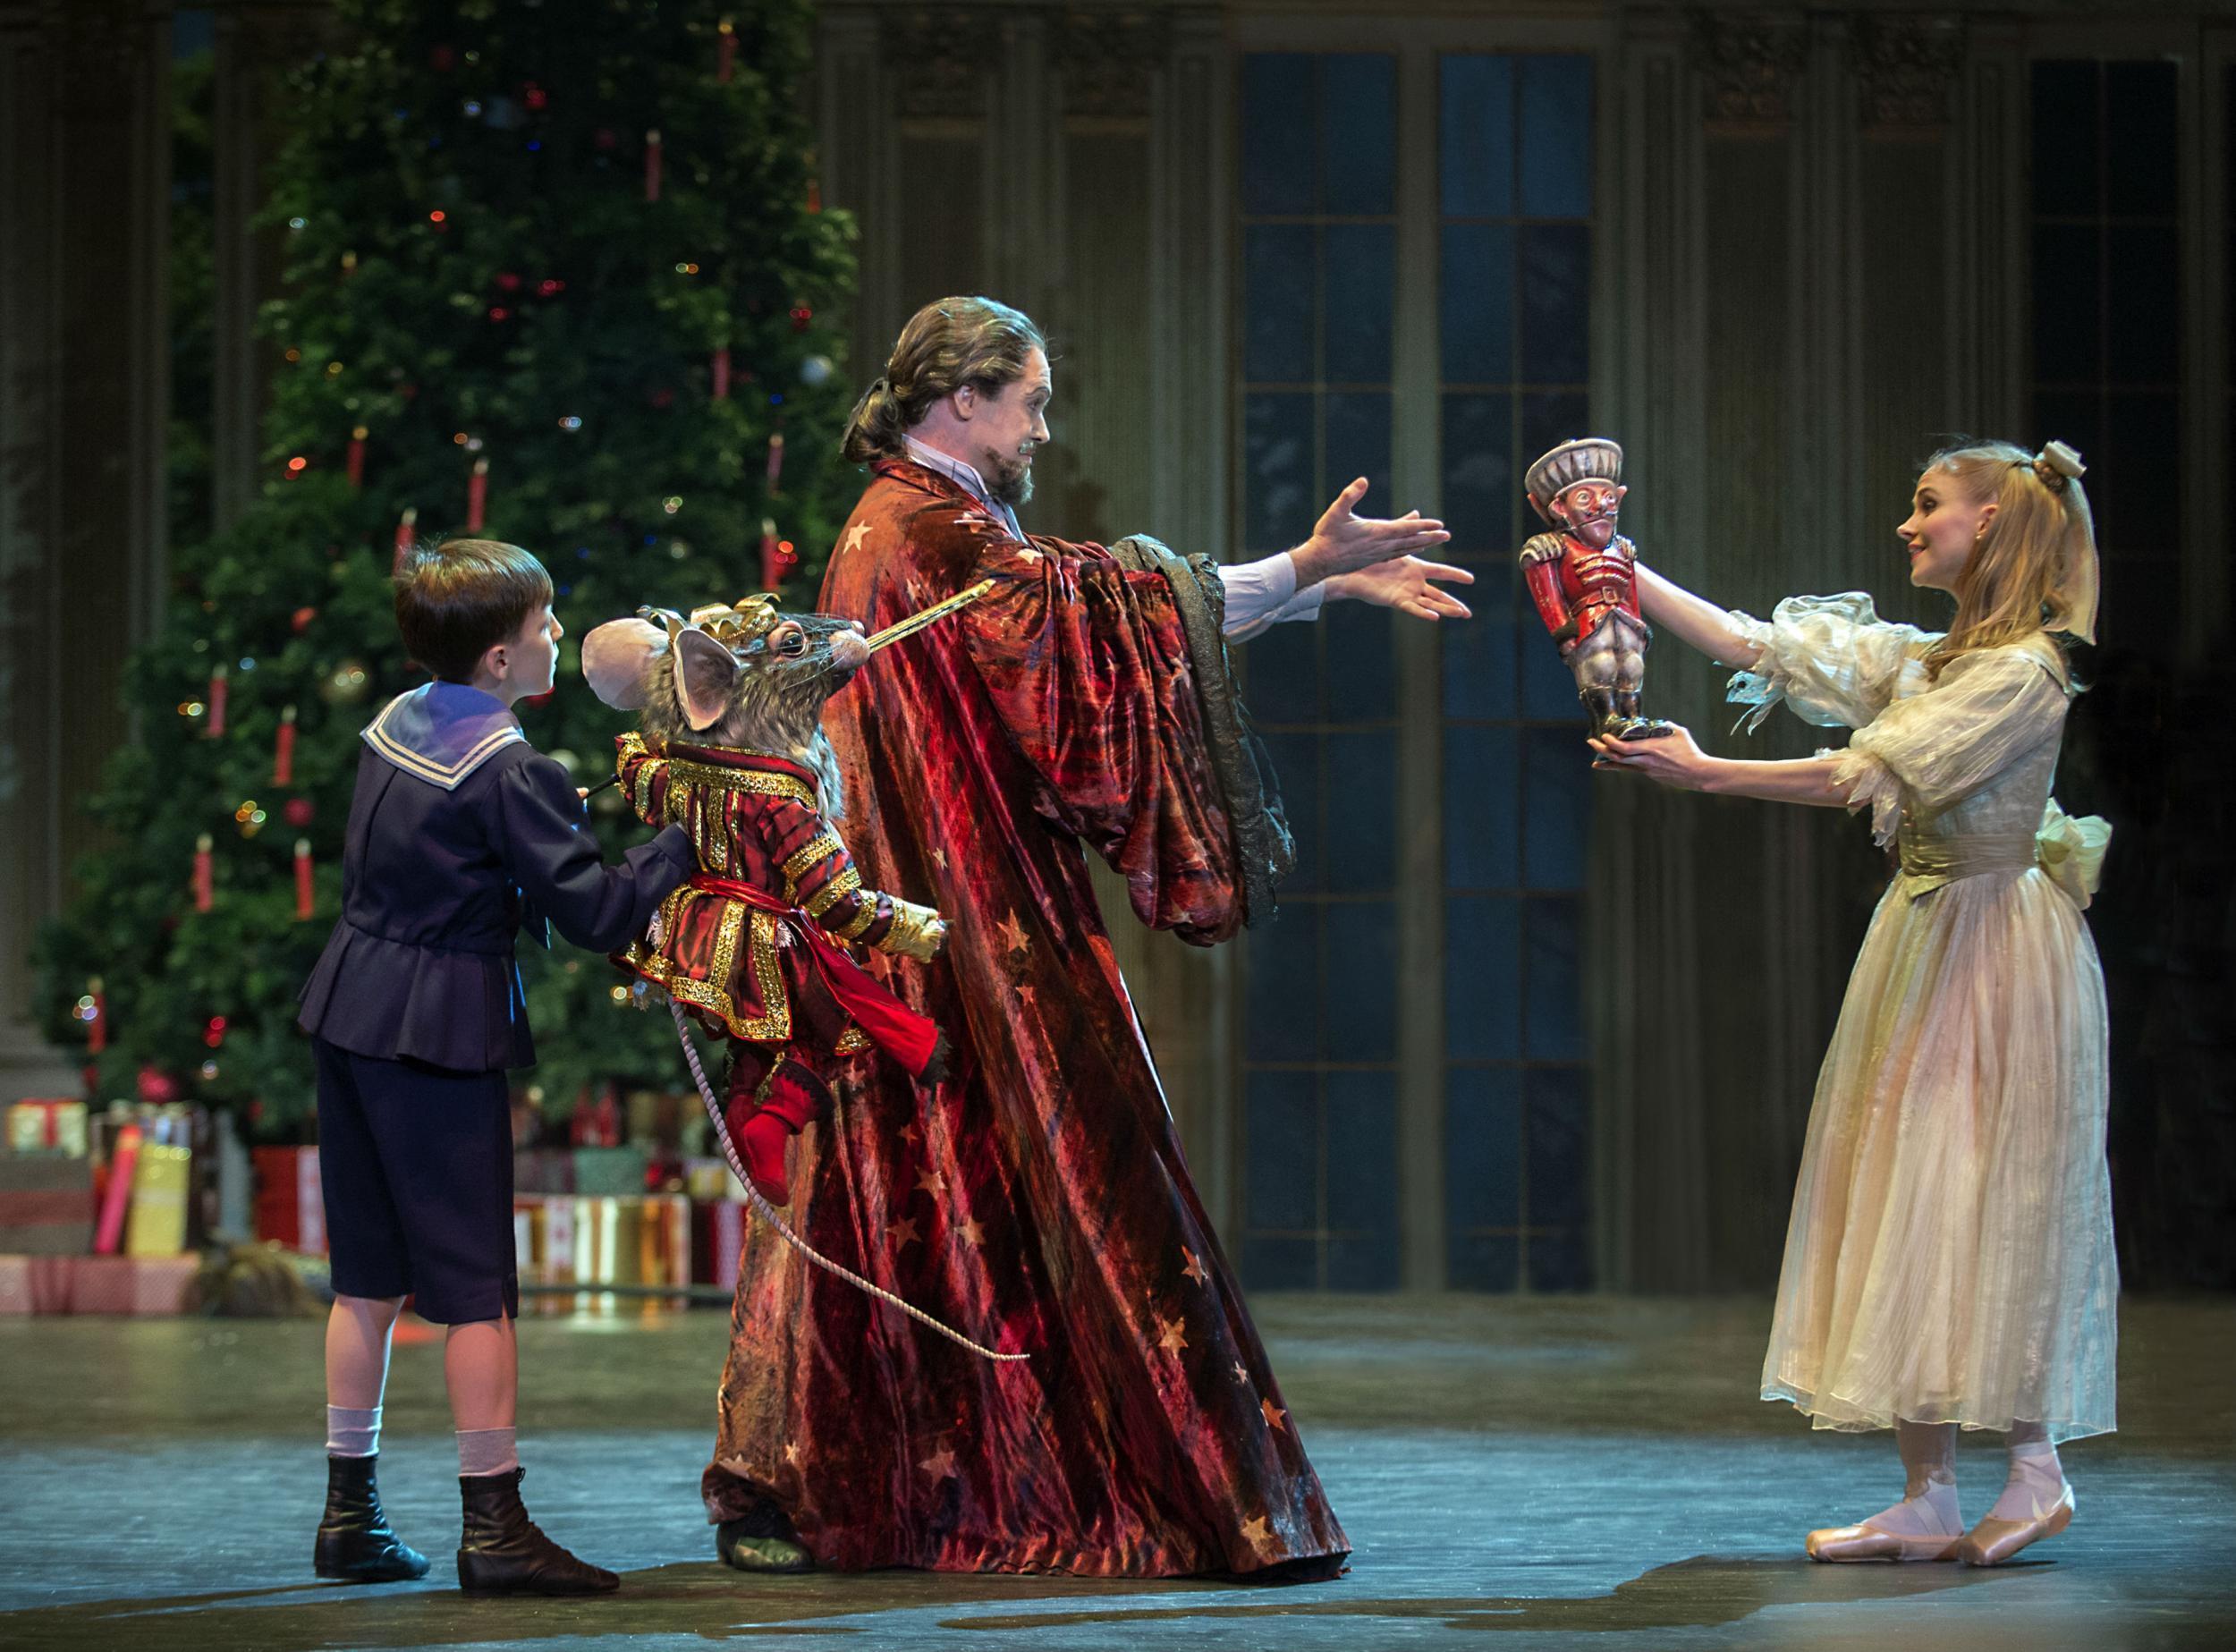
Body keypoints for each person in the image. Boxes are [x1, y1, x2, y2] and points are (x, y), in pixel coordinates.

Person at [699, 295, 1469, 1580]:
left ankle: (857, 1478)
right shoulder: (931, 528)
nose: (1043, 428)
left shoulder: (912, 520)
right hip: (964, 912)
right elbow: (1095, 626)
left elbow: (1092, 635)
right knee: (1078, 1170)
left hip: (926, 904)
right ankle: (1147, 1491)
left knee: (932, 1186)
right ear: (963, 400)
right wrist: (1306, 566)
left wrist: (1307, 585)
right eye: (1032, 402)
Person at [1593, 439, 2113, 1567]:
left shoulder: (2020, 672)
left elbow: (1863, 769)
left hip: (1995, 946)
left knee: (1989, 1183)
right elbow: (1762, 643)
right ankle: (1927, 1490)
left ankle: (2036, 1468)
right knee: (1901, 1180)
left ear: (1992, 524)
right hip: (1924, 931)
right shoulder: (1932, 656)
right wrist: (1619, 573)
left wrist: (1704, 772)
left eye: (1928, 507)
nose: (1907, 525)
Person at [297, 538, 697, 1594]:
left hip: (350, 1010)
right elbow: (601, 910)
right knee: (475, 1290)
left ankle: (350, 1513)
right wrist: (684, 839)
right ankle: (496, 1525)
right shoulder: (514, 770)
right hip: (436, 1031)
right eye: (542, 625)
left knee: (368, 1278)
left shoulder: (395, 724)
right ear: (494, 660)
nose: (557, 633)